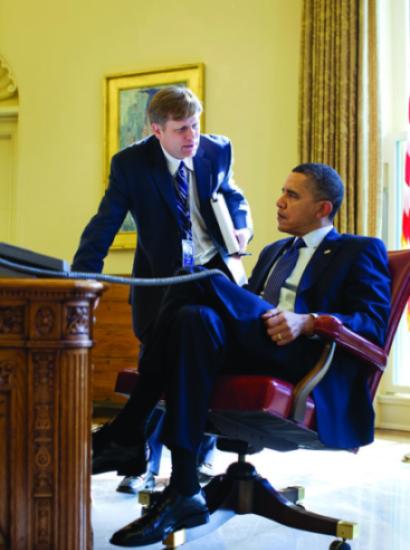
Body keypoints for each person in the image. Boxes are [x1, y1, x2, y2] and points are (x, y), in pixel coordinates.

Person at [92, 163, 391, 547]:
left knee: (204, 278)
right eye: (283, 191)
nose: (279, 202)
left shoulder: (359, 250)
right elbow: (242, 307)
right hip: (254, 346)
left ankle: (131, 428)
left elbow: (371, 323)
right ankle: (184, 486)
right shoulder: (272, 251)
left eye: (292, 195)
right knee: (193, 319)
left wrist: (309, 321)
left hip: (304, 358)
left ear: (323, 209)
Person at [72, 86, 253, 485]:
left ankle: (160, 452)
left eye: (195, 125)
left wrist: (242, 225)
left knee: (199, 363)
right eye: (181, 130)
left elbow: (232, 194)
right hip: (162, 283)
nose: (191, 137)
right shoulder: (131, 165)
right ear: (157, 130)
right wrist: (82, 282)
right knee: (162, 365)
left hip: (215, 275)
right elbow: (104, 225)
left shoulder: (216, 150)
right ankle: (147, 459)